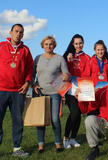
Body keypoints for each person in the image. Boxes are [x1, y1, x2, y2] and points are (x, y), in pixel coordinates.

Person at [0, 24, 33, 157]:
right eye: (16, 31)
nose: (18, 34)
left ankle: (17, 149)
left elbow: (30, 68)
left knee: (18, 121)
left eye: (21, 32)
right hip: (1, 89)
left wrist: (27, 83)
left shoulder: (25, 50)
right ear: (10, 32)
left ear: (23, 35)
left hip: (18, 91)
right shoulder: (1, 46)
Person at [32, 36, 70, 153]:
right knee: (40, 120)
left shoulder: (59, 59)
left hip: (54, 92)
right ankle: (41, 145)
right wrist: (33, 85)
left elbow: (67, 73)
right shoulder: (37, 58)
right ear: (43, 45)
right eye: (46, 44)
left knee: (54, 119)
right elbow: (32, 74)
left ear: (54, 45)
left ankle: (58, 143)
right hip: (40, 92)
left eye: (51, 44)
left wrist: (66, 76)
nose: (49, 46)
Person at [63, 34, 91, 149]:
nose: (78, 45)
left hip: (82, 88)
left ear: (83, 43)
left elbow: (87, 74)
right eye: (76, 43)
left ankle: (73, 138)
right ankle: (65, 138)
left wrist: (82, 89)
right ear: (72, 44)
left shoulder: (87, 57)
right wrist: (67, 60)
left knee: (78, 114)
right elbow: (63, 72)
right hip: (70, 89)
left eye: (80, 43)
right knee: (74, 113)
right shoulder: (68, 56)